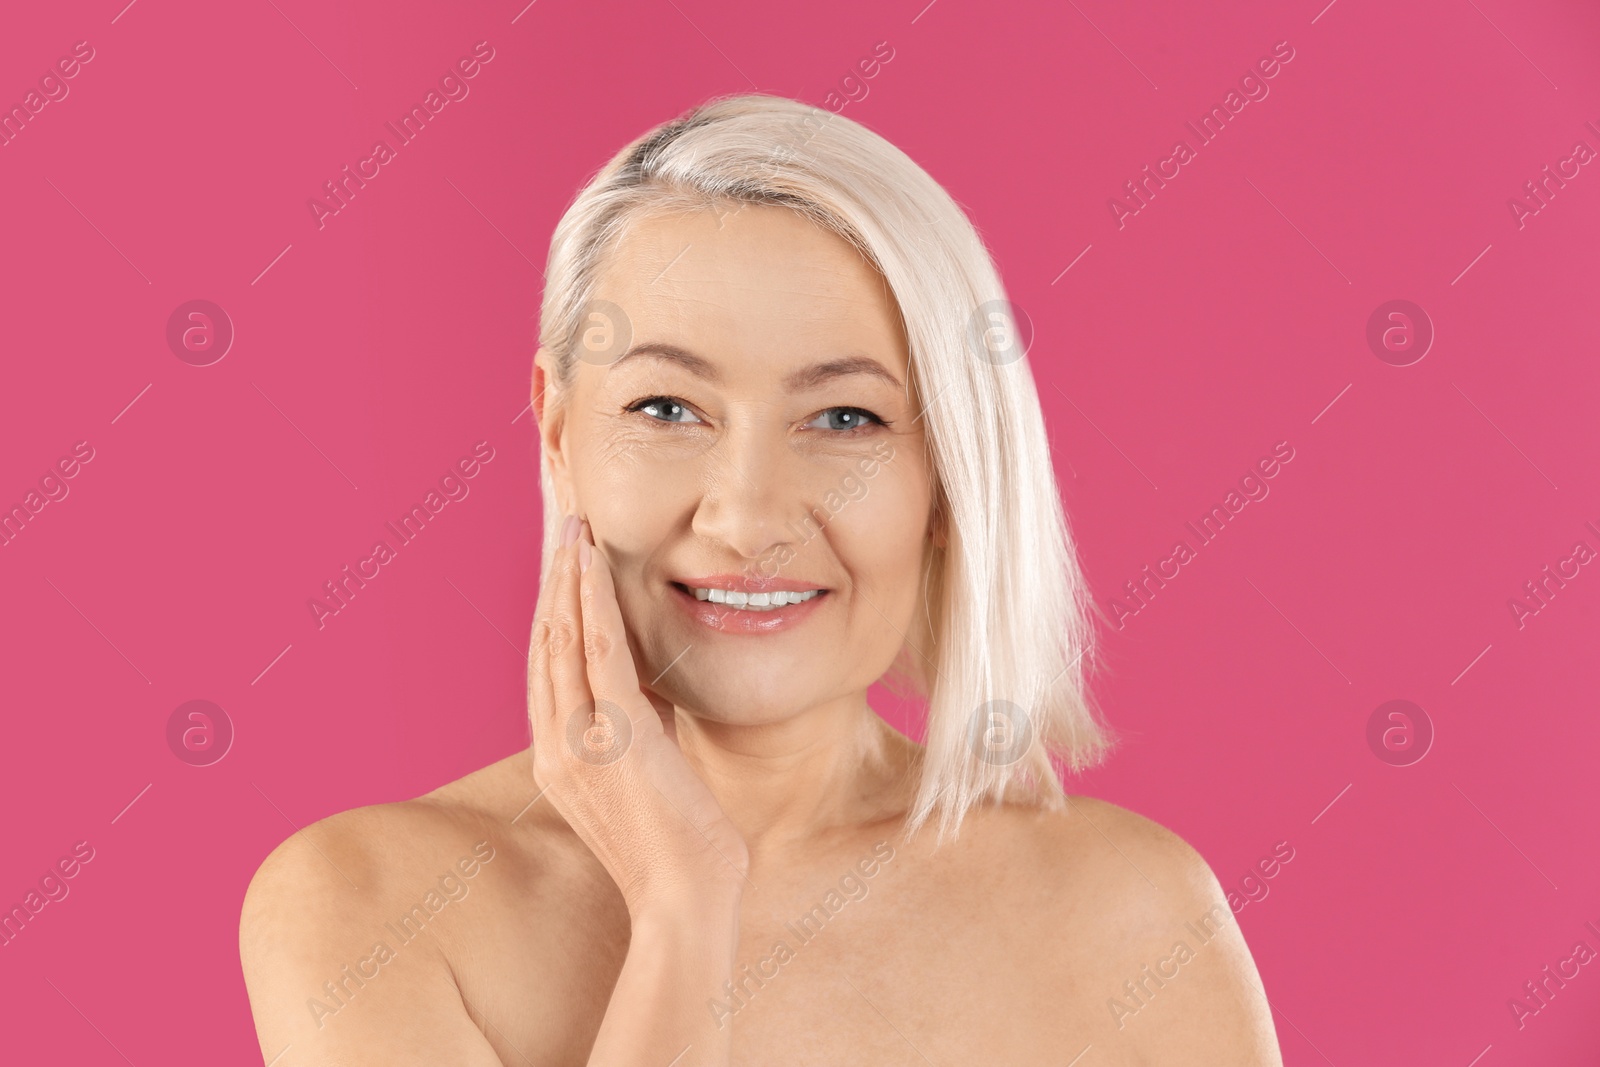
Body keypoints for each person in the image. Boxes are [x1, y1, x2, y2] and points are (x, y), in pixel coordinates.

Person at [241, 92, 1283, 1065]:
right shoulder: (368, 907)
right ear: (559, 433)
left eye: (845, 419)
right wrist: (682, 906)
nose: (745, 517)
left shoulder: (1132, 917)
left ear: (947, 481)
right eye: (665, 408)